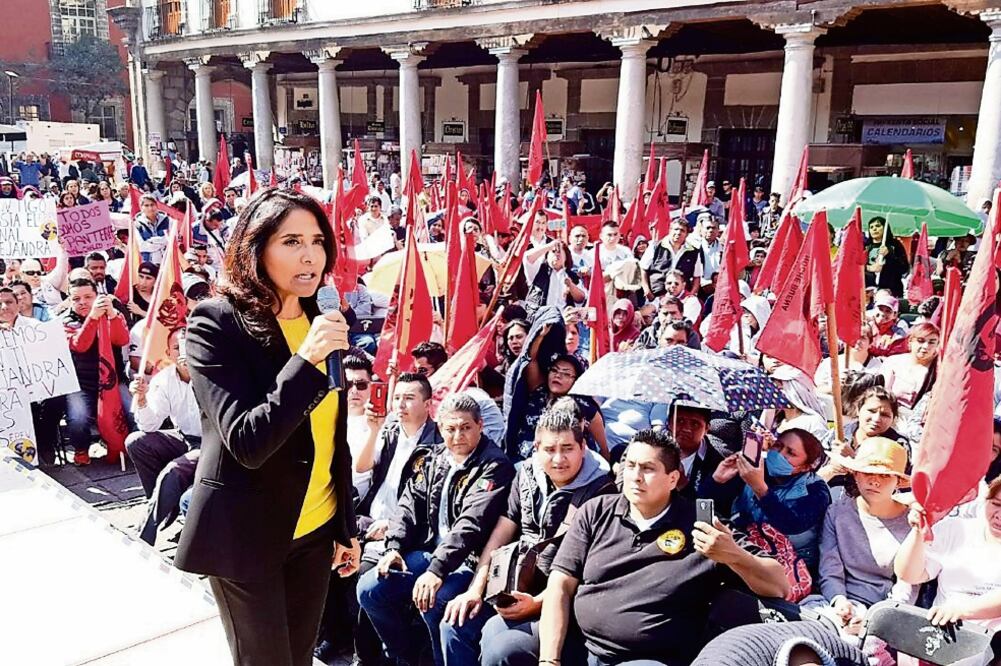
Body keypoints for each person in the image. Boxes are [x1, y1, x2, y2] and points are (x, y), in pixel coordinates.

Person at [174, 189, 361, 666]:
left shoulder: (323, 317)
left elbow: (331, 435)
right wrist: (305, 360)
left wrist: (345, 525)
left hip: (315, 531)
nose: (310, 255)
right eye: (291, 241)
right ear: (256, 248)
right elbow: (247, 441)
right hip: (247, 536)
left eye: (318, 241)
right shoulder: (215, 324)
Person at [537, 429, 789, 666]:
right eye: (631, 465)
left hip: (648, 659)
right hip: (580, 644)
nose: (636, 476)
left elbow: (779, 585)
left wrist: (733, 555)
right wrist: (549, 660)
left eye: (648, 468)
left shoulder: (704, 527)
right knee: (513, 645)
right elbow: (561, 584)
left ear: (672, 479)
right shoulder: (596, 511)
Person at [444, 402, 614, 666]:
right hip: (516, 584)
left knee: (500, 647)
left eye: (567, 449)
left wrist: (536, 603)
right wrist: (476, 589)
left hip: (561, 600)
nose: (558, 459)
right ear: (537, 448)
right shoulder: (525, 473)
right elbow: (502, 531)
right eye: (550, 450)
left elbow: (588, 572)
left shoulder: (603, 491)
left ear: (583, 447)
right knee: (455, 622)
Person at [357, 392, 515, 666]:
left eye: (466, 427)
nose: (458, 436)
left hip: (469, 562)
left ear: (480, 425)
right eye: (450, 429)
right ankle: (407, 657)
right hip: (430, 553)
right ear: (440, 428)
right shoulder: (434, 457)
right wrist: (394, 548)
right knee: (370, 589)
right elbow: (408, 505)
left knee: (435, 599)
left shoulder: (495, 466)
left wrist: (435, 571)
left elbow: (470, 526)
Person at [803, 437, 912, 639]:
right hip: (834, 603)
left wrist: (877, 619)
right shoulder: (837, 512)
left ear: (898, 481)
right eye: (867, 472)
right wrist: (839, 601)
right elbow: (830, 567)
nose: (874, 481)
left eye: (885, 475)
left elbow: (907, 584)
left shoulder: (912, 522)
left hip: (882, 611)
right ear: (855, 474)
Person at [713, 428, 832, 572]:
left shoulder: (816, 489)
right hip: (745, 553)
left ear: (805, 467)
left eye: (791, 453)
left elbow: (792, 524)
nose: (779, 454)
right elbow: (715, 506)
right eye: (778, 446)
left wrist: (761, 490)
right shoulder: (756, 468)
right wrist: (717, 481)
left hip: (791, 566)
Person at [894, 477, 1001, 633]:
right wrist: (918, 530)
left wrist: (962, 610)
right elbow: (909, 575)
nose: (999, 515)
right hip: (943, 633)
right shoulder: (955, 529)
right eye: (996, 504)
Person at [126, 328, 201, 546]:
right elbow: (149, 425)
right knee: (136, 442)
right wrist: (142, 400)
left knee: (174, 470)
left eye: (188, 346)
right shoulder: (165, 379)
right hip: (185, 437)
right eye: (177, 348)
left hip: (211, 442)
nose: (183, 353)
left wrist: (196, 376)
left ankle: (145, 533)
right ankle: (164, 506)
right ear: (168, 353)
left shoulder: (209, 373)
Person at [62, 277, 133, 465]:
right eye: (76, 299)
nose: (83, 302)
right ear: (70, 301)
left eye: (88, 297)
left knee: (132, 412)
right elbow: (80, 345)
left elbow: (122, 339)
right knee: (78, 418)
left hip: (113, 380)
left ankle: (130, 449)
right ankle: (81, 451)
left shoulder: (113, 314)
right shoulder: (66, 321)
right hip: (81, 384)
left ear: (97, 296)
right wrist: (93, 318)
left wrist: (112, 315)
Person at [880, 322, 939, 415]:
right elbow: (882, 395)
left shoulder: (940, 369)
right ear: (910, 341)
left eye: (931, 342)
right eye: (920, 341)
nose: (926, 346)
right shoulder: (893, 362)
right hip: (891, 414)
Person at [640, 219, 704, 299]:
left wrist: (690, 296)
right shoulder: (655, 247)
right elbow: (643, 269)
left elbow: (697, 277)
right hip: (656, 296)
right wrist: (647, 290)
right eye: (676, 229)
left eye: (682, 230)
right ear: (670, 230)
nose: (678, 232)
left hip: (682, 299)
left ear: (687, 234)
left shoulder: (694, 252)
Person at [864, 217, 909, 297]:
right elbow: (856, 266)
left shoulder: (895, 244)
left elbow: (904, 268)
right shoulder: (865, 246)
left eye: (878, 226)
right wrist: (869, 268)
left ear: (885, 228)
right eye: (871, 227)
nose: (874, 229)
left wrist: (889, 255)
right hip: (868, 291)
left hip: (891, 290)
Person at [868, 292, 909, 357]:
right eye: (880, 309)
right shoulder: (865, 328)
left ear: (895, 315)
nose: (882, 313)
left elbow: (896, 358)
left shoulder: (899, 335)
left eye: (888, 311)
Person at [134, 194, 171, 264]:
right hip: (148, 263)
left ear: (156, 205)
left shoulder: (167, 220)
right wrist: (162, 242)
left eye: (152, 204)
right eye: (146, 205)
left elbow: (171, 240)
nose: (150, 208)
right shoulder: (136, 224)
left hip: (167, 262)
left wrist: (151, 241)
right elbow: (141, 246)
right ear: (141, 207)